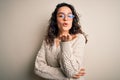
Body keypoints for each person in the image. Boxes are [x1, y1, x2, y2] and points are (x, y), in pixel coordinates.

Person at [34, 2, 87, 80]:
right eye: (61, 15)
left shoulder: (79, 38)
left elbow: (70, 72)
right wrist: (66, 76)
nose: (66, 19)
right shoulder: (48, 39)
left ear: (73, 19)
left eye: (69, 15)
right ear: (56, 19)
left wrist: (65, 43)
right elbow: (37, 68)